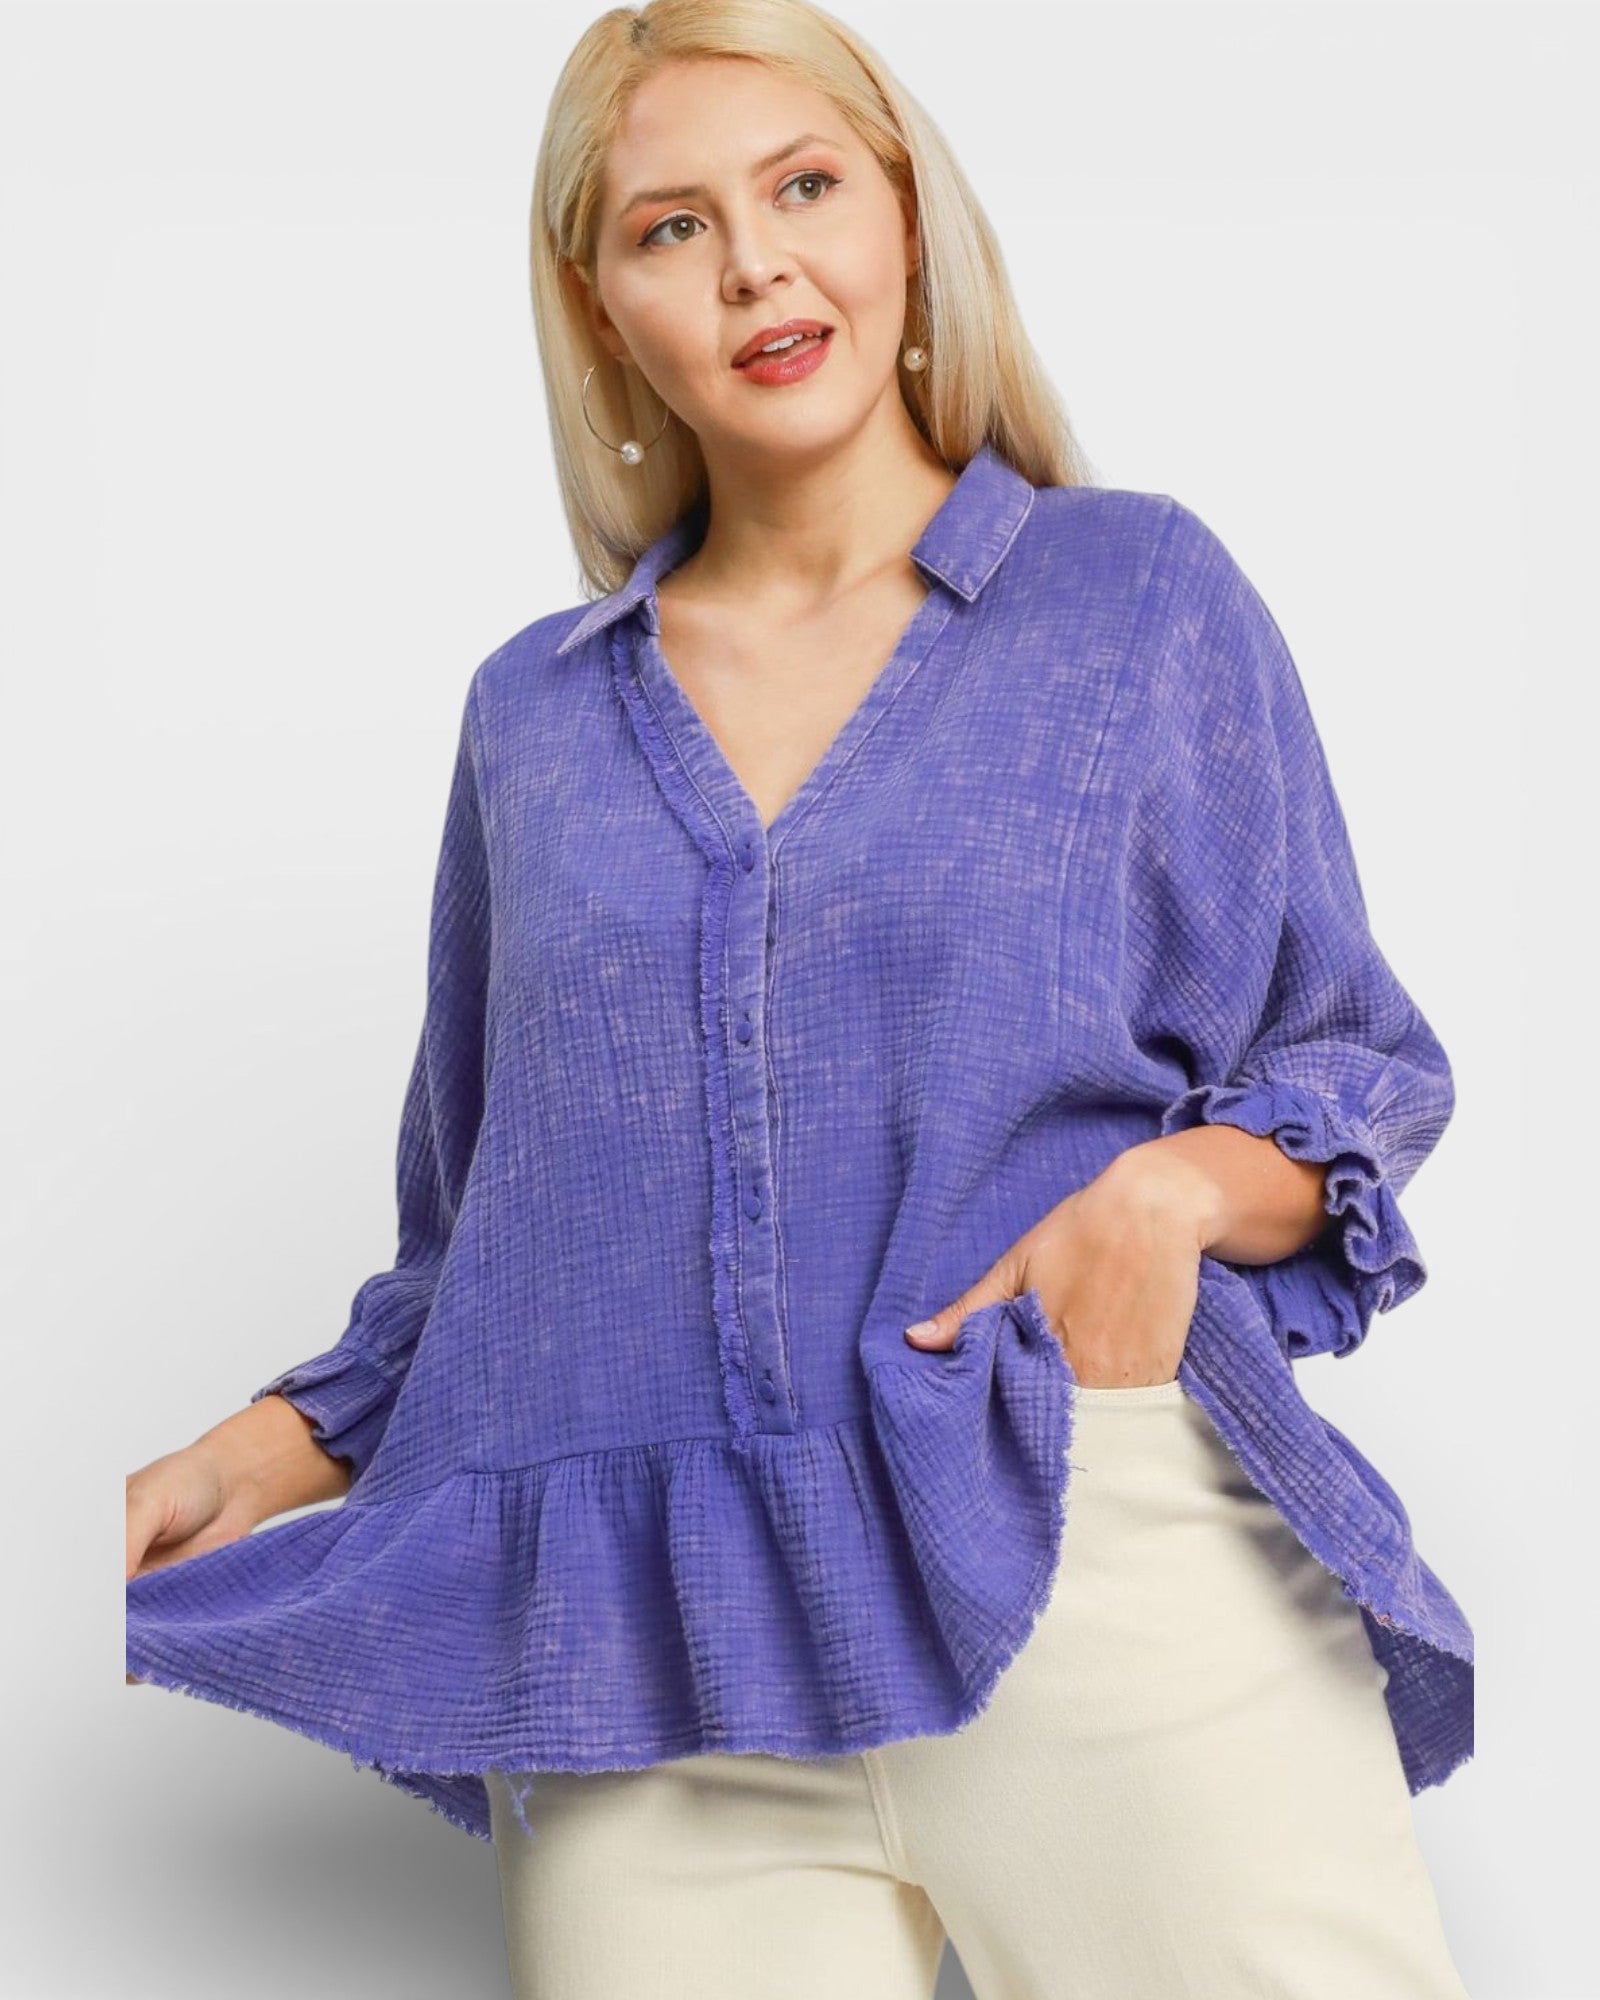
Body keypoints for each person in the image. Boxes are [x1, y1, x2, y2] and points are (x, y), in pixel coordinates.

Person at [125, 2, 1478, 1994]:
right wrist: (250, 1452)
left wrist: (1168, 1196)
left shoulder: (1132, 601)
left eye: (803, 185)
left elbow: (1340, 1057)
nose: (752, 259)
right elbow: (497, 1226)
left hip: (1072, 1549)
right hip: (644, 1673)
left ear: (903, 226)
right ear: (599, 314)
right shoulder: (537, 719)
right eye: (668, 227)